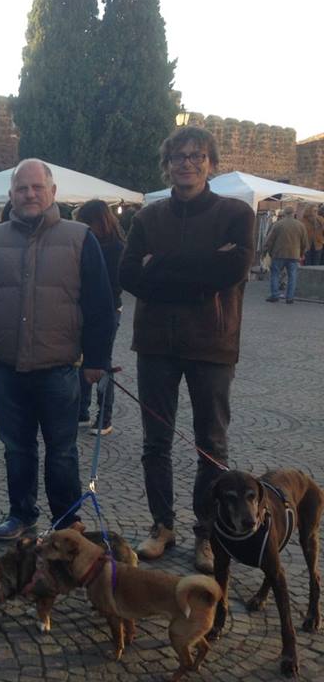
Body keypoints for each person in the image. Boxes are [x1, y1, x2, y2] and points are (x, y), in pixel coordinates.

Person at [120, 126, 255, 573]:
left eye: (197, 156)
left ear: (211, 163)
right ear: (168, 164)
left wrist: (161, 268)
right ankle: (162, 525)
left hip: (212, 344)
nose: (188, 163)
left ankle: (206, 531)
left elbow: (232, 271)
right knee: (155, 442)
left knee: (211, 444)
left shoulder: (236, 213)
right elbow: (129, 276)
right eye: (179, 156)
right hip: (157, 344)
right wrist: (200, 270)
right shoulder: (147, 219)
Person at [0, 159, 116, 542]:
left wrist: (96, 360)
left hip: (60, 366)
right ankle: (21, 514)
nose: (29, 194)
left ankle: (66, 521)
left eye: (36, 187)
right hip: (5, 366)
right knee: (17, 448)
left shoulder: (80, 238)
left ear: (52, 192)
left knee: (62, 451)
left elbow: (100, 303)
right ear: (12, 194)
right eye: (22, 189)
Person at [75, 199, 125, 435]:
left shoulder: (115, 248)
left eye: (86, 222)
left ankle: (104, 417)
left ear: (98, 221)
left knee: (102, 362)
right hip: (84, 309)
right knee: (80, 360)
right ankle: (81, 411)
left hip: (108, 310)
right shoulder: (88, 243)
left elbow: (114, 286)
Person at [263, 207, 308, 304]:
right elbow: (304, 242)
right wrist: (302, 253)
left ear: (284, 213)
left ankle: (275, 295)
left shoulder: (278, 224)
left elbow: (270, 240)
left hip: (278, 253)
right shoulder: (300, 225)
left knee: (275, 275)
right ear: (294, 213)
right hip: (294, 254)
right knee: (292, 276)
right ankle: (290, 297)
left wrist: (268, 251)